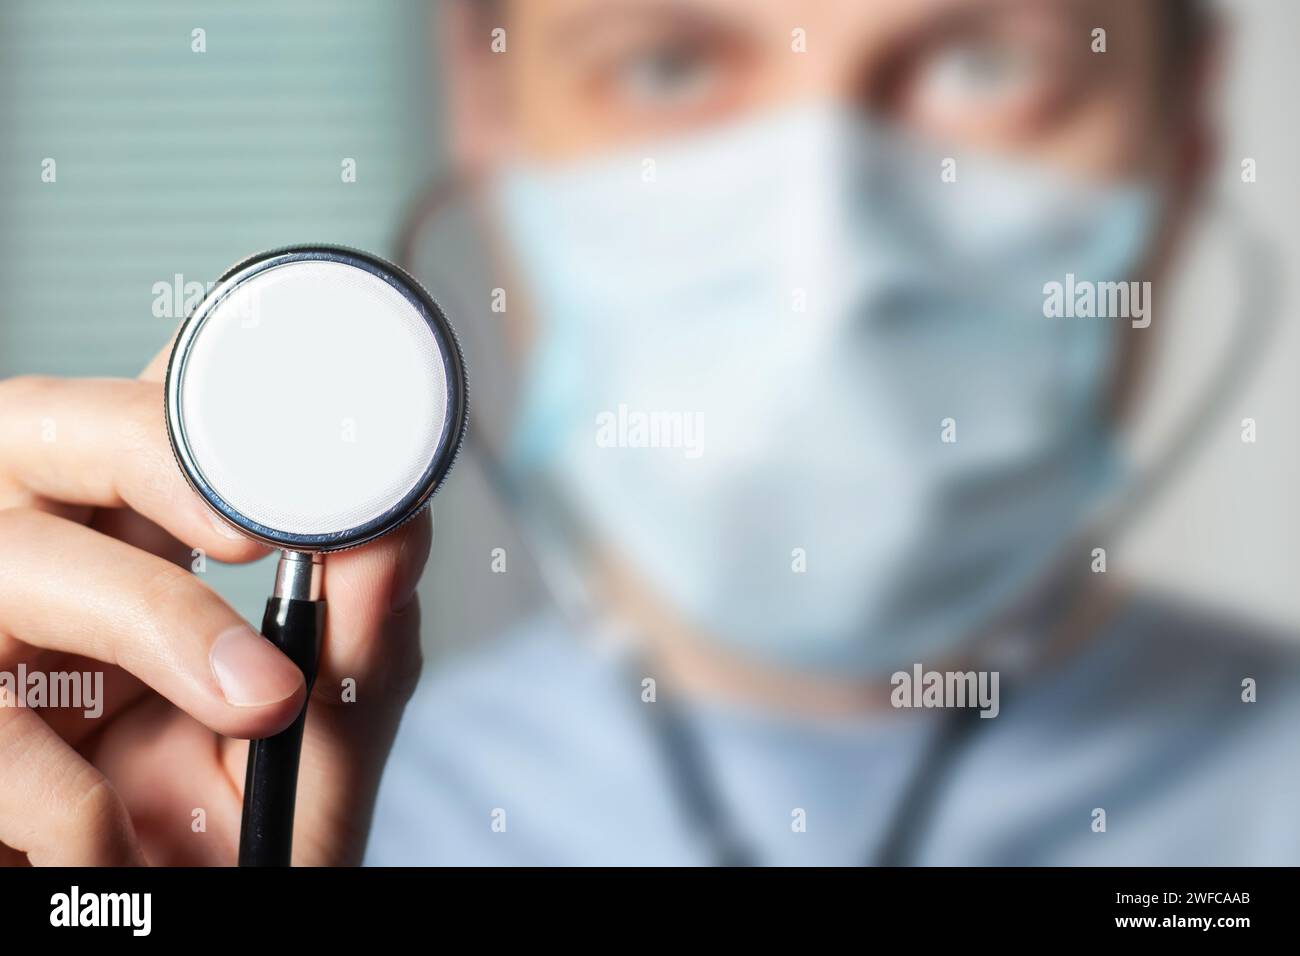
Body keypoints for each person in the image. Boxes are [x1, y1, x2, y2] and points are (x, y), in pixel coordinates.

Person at [0, 0, 1293, 868]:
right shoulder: (211, 803)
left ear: (1182, 137)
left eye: (981, 62)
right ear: (488, 121)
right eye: (669, 63)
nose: (823, 257)